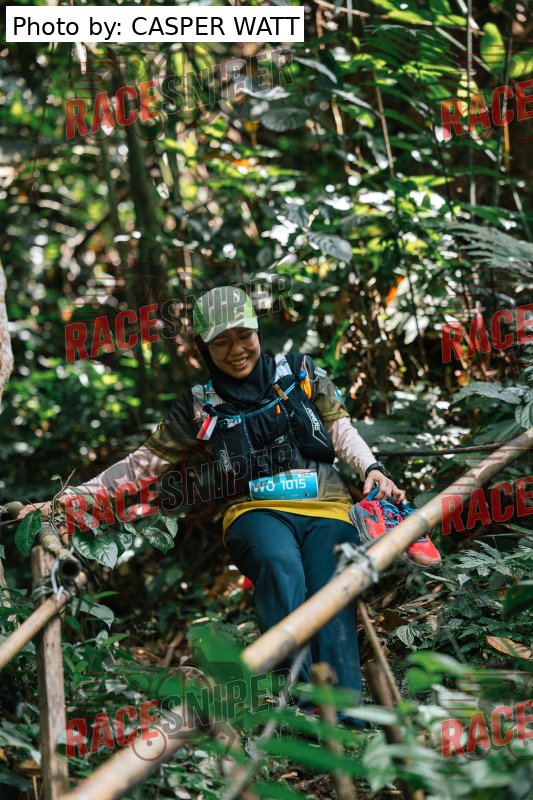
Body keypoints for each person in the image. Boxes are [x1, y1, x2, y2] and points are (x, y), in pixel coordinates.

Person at [17, 285, 434, 728]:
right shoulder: (198, 406)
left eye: (243, 336)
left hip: (328, 506)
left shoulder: (301, 371)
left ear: (258, 331)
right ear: (204, 348)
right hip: (255, 513)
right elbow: (139, 468)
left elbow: (340, 429)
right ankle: (301, 707)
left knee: (333, 582)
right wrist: (64, 502)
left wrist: (372, 468)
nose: (236, 350)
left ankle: (346, 717)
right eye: (221, 342)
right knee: (279, 565)